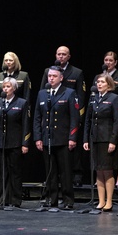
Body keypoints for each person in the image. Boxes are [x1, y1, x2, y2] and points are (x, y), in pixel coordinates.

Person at [40, 46, 88, 187]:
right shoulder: (48, 71)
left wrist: (78, 118)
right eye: (59, 54)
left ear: (69, 56)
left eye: (64, 54)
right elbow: (43, 90)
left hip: (70, 114)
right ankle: (52, 179)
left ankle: (76, 174)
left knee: (72, 147)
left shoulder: (76, 73)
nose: (61, 56)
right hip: (53, 113)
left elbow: (81, 96)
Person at [34, 66, 80, 210]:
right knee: (50, 171)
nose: (51, 78)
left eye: (54, 76)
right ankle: (51, 198)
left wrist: (72, 137)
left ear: (61, 78)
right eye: (49, 76)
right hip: (47, 139)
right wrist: (38, 138)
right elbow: (37, 117)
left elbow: (74, 117)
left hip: (63, 139)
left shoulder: (69, 93)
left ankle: (67, 200)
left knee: (65, 172)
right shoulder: (42, 94)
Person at [0, 76, 31, 208]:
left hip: (15, 142)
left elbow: (25, 125)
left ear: (14, 88)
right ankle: (3, 199)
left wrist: (25, 143)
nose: (5, 89)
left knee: (15, 172)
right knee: (2, 172)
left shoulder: (21, 103)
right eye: (4, 86)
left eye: (8, 86)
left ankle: (16, 199)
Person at [83, 74, 118, 212]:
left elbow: (117, 122)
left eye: (102, 82)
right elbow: (88, 120)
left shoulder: (114, 98)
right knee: (98, 171)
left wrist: (113, 141)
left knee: (107, 170)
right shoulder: (93, 98)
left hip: (107, 140)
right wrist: (86, 139)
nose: (99, 84)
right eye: (97, 81)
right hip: (95, 139)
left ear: (109, 84)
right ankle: (101, 201)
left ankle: (109, 201)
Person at [92, 52, 118, 188]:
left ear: (115, 62)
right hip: (102, 118)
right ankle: (101, 177)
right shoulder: (99, 77)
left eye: (110, 60)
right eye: (106, 60)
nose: (108, 62)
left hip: (117, 116)